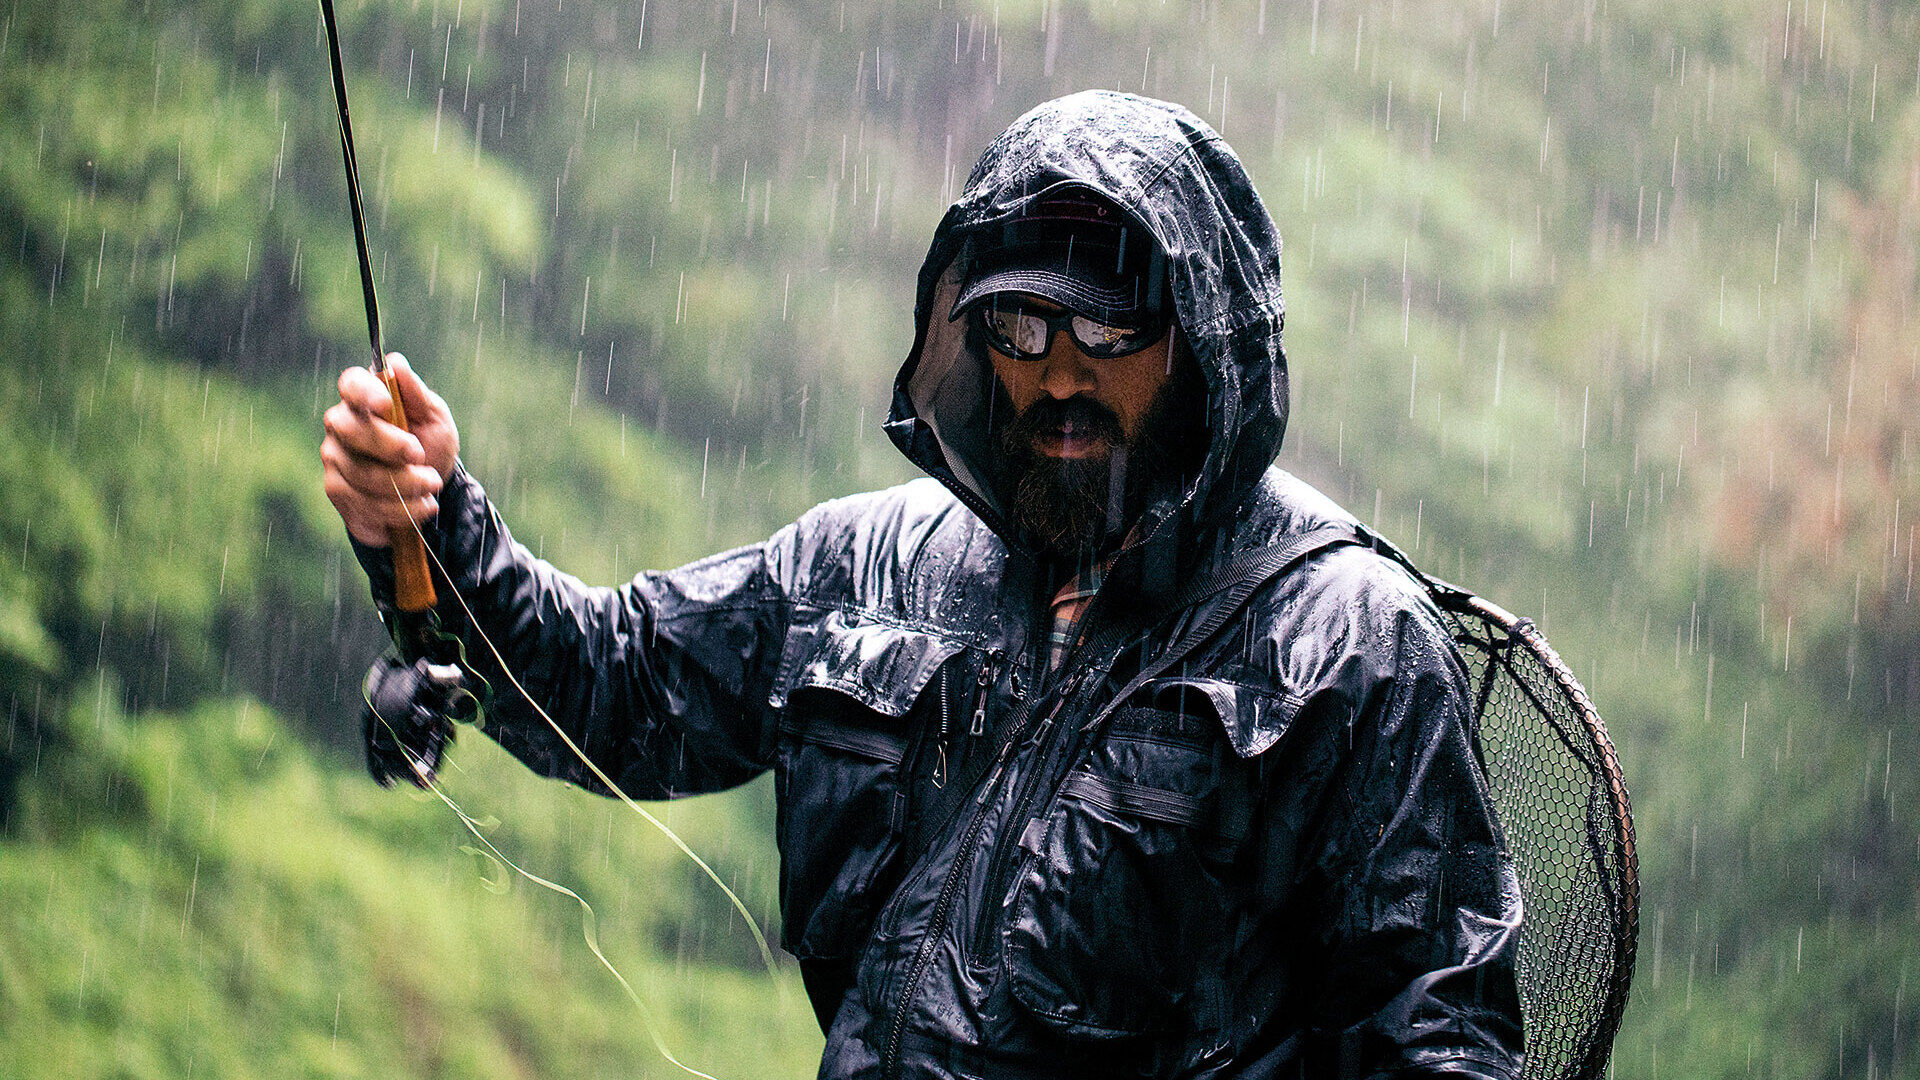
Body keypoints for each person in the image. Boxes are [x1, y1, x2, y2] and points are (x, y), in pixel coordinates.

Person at [322, 91, 1523, 1079]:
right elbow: (612, 686)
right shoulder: (867, 569)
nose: (1060, 377)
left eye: (1108, 336)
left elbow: (1440, 1042)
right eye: (1019, 329)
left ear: (1201, 342)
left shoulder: (1347, 642)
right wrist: (432, 519)